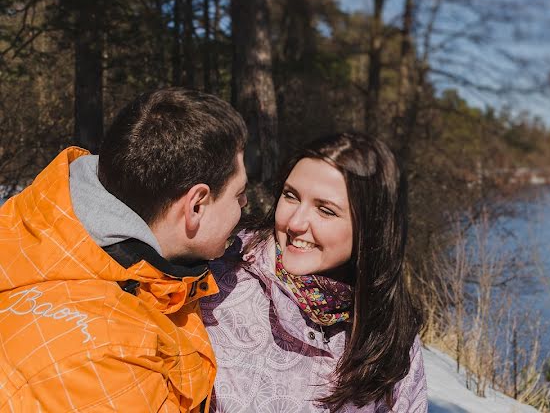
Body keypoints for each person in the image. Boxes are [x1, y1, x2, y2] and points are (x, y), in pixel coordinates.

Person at [0, 87, 248, 412]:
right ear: (196, 206)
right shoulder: (104, 365)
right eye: (239, 195)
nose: (244, 207)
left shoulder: (48, 236)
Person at [201, 132, 427, 412]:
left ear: (371, 228)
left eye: (326, 211)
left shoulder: (391, 334)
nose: (295, 222)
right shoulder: (219, 277)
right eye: (290, 196)